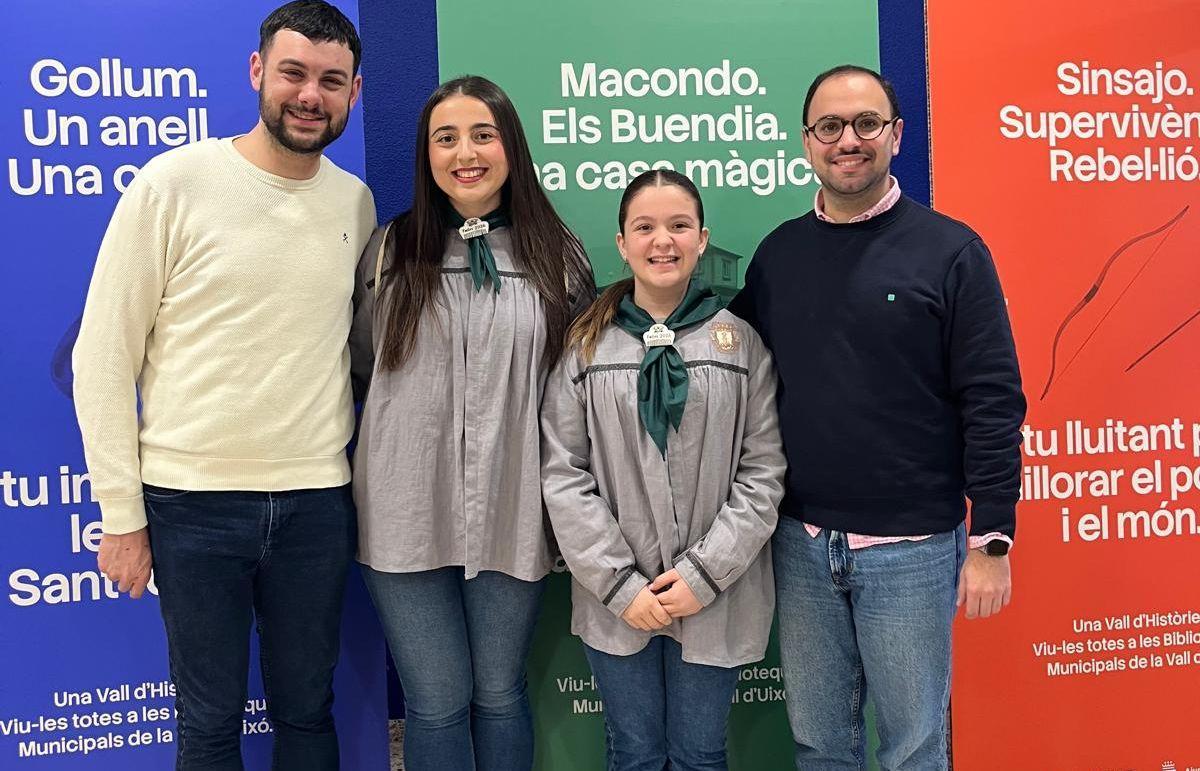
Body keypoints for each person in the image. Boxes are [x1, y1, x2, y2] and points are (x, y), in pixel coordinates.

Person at [72, 2, 374, 768]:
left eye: (331, 81)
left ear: (355, 92)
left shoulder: (354, 202)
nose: (310, 95)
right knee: (207, 723)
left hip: (315, 504)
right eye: (294, 73)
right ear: (256, 72)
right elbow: (103, 356)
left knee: (308, 712)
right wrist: (122, 515)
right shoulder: (173, 184)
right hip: (191, 505)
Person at [728, 64, 1026, 770]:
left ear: (895, 134)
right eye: (830, 126)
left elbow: (993, 397)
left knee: (913, 747)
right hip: (799, 543)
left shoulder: (952, 251)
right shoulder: (779, 254)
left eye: (866, 123)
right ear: (808, 141)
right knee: (820, 744)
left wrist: (992, 537)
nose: (848, 140)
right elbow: (726, 364)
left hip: (912, 549)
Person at [349, 75, 594, 771]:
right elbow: (362, 365)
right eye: (446, 137)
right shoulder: (390, 250)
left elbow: (578, 388)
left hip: (514, 506)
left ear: (510, 146)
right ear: (426, 154)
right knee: (437, 698)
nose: (466, 152)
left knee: (496, 691)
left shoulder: (558, 256)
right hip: (404, 511)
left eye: (483, 134)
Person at [541, 169, 785, 771]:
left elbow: (762, 475)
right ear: (622, 244)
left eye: (679, 226)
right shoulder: (586, 349)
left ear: (702, 239)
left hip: (715, 593)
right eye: (644, 227)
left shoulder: (742, 346)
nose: (662, 241)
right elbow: (563, 474)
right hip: (615, 597)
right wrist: (620, 584)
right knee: (635, 751)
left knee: (701, 753)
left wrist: (702, 575)